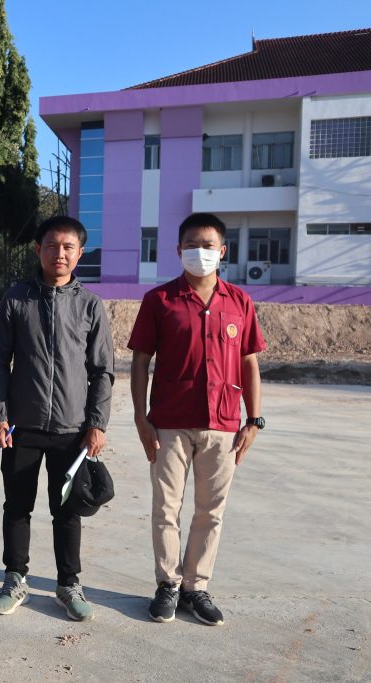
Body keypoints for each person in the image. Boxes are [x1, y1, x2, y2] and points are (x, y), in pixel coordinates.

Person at [128, 212, 266, 626]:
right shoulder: (159, 301)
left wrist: (253, 420)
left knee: (211, 511)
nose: (200, 252)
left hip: (222, 424)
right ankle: (168, 584)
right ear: (178, 250)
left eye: (208, 246)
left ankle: (196, 587)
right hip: (168, 422)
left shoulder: (239, 302)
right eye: (192, 245)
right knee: (165, 509)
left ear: (222, 251)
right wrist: (140, 417)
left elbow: (249, 363)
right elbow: (140, 361)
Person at [0, 216, 115, 622]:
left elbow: (102, 370)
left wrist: (97, 423)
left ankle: (68, 584)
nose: (59, 253)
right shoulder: (16, 300)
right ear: (38, 250)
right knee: (17, 506)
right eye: (51, 245)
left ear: (79, 253)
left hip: (72, 431)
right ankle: (14, 579)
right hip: (21, 427)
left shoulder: (90, 305)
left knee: (67, 510)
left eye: (68, 247)